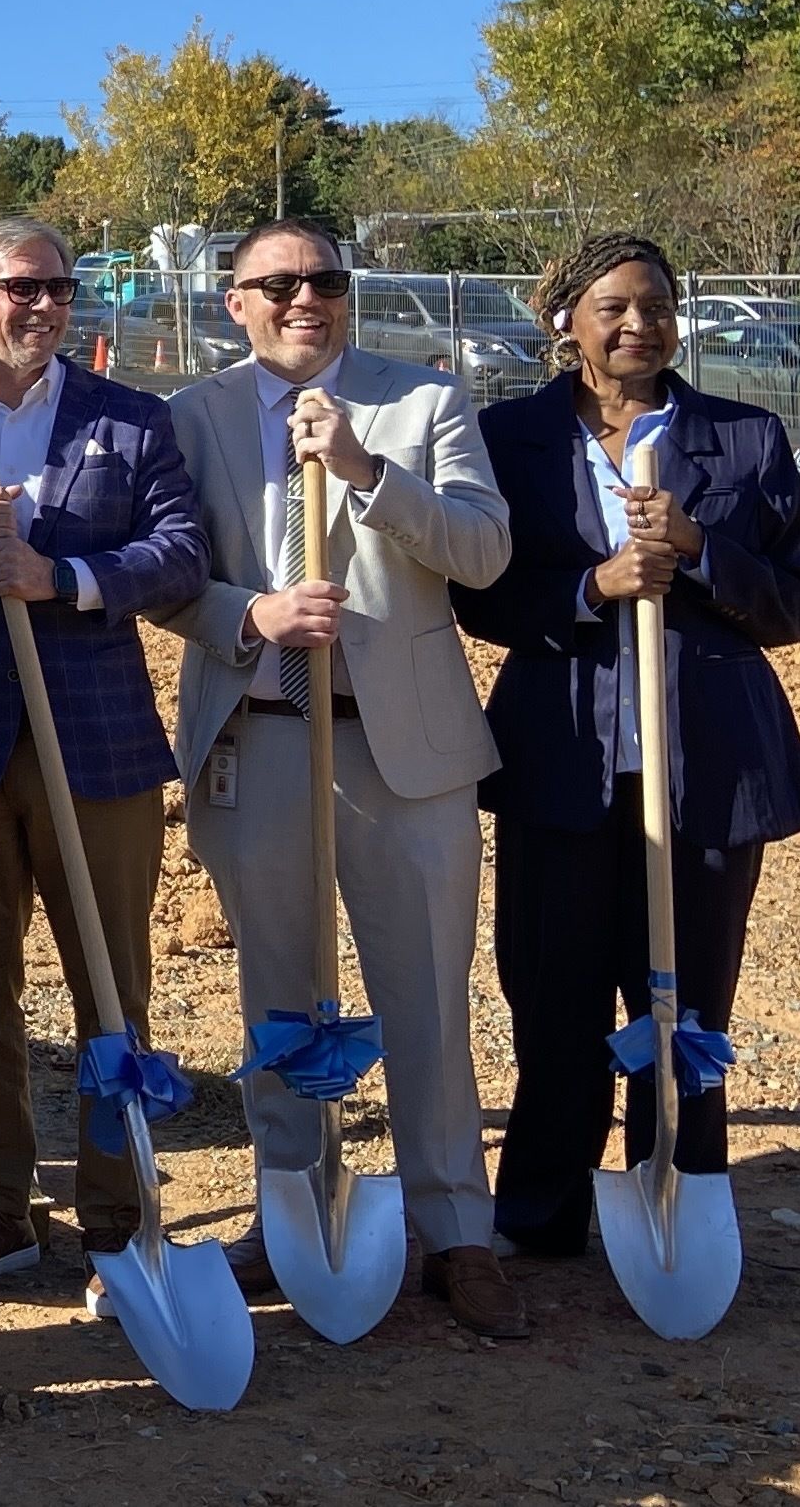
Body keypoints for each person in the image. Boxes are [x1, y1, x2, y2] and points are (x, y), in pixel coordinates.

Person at [143, 220, 525, 1336]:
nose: (305, 299)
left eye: (325, 281)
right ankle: (294, 1209)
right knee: (278, 995)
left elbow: (483, 551)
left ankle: (457, 1228)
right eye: (279, 284)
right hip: (258, 732)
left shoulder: (424, 403)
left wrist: (364, 471)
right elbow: (170, 578)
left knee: (424, 999)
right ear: (236, 303)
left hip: (401, 749)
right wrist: (248, 614)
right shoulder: (193, 417)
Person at [460, 234, 800, 1261]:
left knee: (688, 998)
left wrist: (704, 551)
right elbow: (475, 596)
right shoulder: (507, 439)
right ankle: (540, 1215)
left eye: (659, 306)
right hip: (563, 756)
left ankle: (677, 1198)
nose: (641, 325)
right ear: (564, 320)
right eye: (615, 307)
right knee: (551, 990)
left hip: (709, 767)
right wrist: (595, 588)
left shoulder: (744, 439)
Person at [0, 216, 205, 1293]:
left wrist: (60, 579)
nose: (42, 307)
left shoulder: (131, 419)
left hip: (99, 741)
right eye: (19, 290)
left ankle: (119, 1209)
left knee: (112, 987)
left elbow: (176, 555)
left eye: (57, 291)